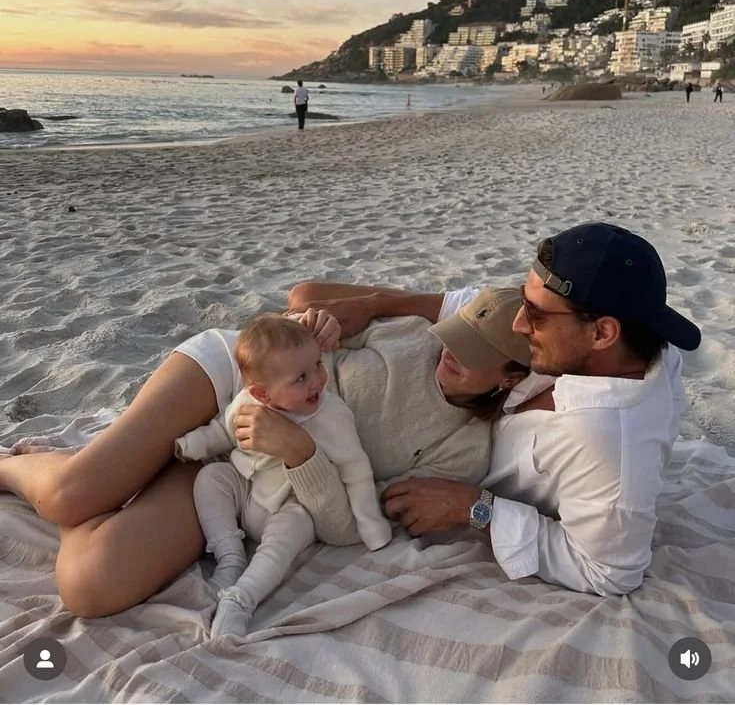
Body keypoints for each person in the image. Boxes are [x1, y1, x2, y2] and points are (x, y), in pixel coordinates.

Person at [0, 290, 530, 617]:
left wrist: (300, 454)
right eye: (457, 334)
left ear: (510, 377)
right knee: (72, 495)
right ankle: (11, 467)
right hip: (230, 381)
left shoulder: (459, 454)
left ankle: (114, 469)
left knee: (92, 586)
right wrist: (311, 323)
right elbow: (293, 313)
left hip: (249, 475)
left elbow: (346, 525)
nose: (449, 351)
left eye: (474, 351)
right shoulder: (412, 334)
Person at [293, 222, 702, 596]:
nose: (520, 325)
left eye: (536, 315)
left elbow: (609, 573)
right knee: (307, 297)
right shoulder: (609, 341)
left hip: (427, 452)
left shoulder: (612, 450)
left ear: (602, 333)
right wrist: (372, 304)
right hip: (439, 389)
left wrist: (474, 508)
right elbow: (469, 306)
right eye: (525, 302)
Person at [175, 313, 391, 637]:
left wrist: (371, 525)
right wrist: (196, 443)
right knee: (212, 477)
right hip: (247, 489)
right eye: (301, 378)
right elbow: (226, 429)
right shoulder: (248, 403)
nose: (318, 380)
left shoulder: (332, 415)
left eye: (317, 365)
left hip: (289, 504)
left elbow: (356, 469)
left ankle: (242, 597)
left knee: (292, 528)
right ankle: (230, 557)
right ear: (263, 394)